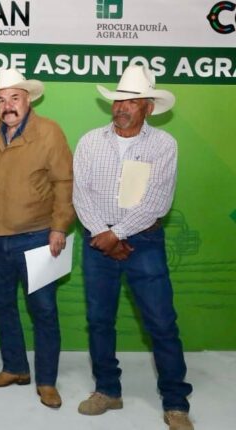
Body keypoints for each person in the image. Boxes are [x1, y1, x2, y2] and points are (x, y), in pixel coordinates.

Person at [73, 64, 194, 430]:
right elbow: (81, 194)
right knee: (99, 321)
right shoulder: (90, 141)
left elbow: (157, 200)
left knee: (161, 323)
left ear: (149, 108)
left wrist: (118, 234)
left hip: (144, 241)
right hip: (98, 240)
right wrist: (104, 236)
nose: (122, 107)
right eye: (118, 100)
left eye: (133, 101)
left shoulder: (163, 145)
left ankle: (175, 403)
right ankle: (108, 390)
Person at [0, 69, 74, 408]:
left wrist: (59, 228)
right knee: (2, 305)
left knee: (43, 310)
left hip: (39, 237)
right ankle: (14, 368)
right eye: (0, 99)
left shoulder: (49, 132)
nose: (7, 105)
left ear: (29, 99)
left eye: (14, 97)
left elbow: (64, 183)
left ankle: (47, 381)